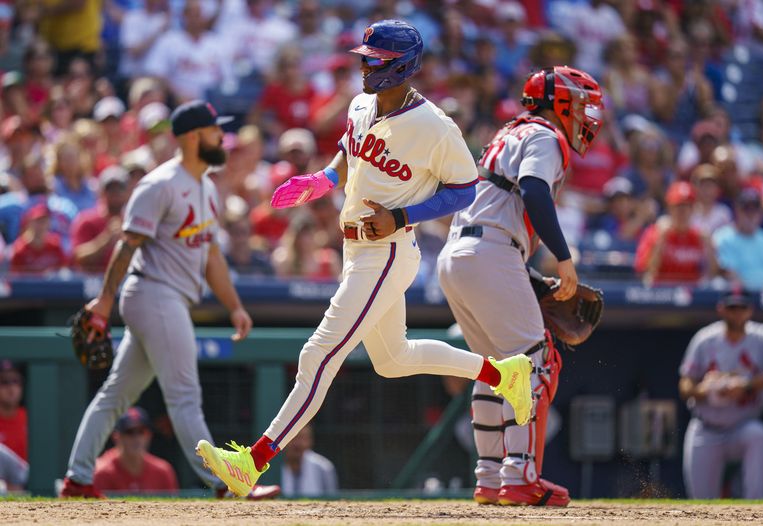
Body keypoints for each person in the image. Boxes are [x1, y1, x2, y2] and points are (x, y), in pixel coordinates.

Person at [196, 20, 534, 498]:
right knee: (393, 360)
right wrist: (321, 181)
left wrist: (403, 216)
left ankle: (253, 462)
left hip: (388, 251)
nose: (363, 66)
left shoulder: (435, 126)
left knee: (318, 354)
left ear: (403, 66)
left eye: (374, 60)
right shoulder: (360, 104)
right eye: (364, 57)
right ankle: (504, 373)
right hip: (357, 247)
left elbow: (464, 188)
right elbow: (348, 154)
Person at [59, 100, 277, 501]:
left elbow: (211, 255)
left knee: (115, 394)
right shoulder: (159, 184)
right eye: (214, 130)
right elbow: (127, 246)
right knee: (184, 396)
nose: (221, 137)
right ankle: (225, 484)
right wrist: (104, 302)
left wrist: (235, 306)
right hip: (154, 292)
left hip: (165, 296)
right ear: (193, 137)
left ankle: (76, 479)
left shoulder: (207, 186)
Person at [437, 66, 604, 507]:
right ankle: (521, 476)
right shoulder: (546, 136)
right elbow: (533, 190)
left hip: (460, 254)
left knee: (494, 370)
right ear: (562, 102)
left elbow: (497, 209)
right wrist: (564, 260)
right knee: (537, 363)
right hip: (489, 252)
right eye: (582, 104)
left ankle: (490, 478)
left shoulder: (506, 134)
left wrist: (529, 277)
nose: (588, 115)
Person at [679, 290, 763, 499]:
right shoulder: (705, 339)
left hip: (743, 425)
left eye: (741, 308)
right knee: (701, 502)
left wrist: (748, 384)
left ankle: (754, 508)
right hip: (707, 427)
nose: (737, 314)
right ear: (721, 309)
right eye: (732, 308)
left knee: (757, 434)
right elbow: (685, 383)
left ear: (750, 310)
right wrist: (702, 390)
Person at [93, 407, 178, 494]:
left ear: (149, 435)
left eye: (141, 432)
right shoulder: (101, 472)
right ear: (116, 437)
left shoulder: (163, 472)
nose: (136, 438)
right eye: (129, 432)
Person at [713, 187, 763, 291]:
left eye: (754, 210)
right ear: (737, 211)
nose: (750, 214)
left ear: (761, 213)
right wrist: (751, 296)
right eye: (746, 209)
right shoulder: (722, 238)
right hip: (736, 300)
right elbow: (729, 272)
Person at [281, 425, 338, 498]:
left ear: (311, 440)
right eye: (293, 438)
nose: (297, 444)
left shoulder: (324, 467)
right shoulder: (271, 467)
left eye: (303, 438)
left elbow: (331, 499)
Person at [0, 361, 28, 491]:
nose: (11, 388)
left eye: (16, 382)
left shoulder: (29, 417)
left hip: (26, 480)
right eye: (4, 382)